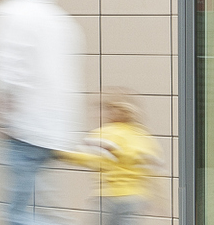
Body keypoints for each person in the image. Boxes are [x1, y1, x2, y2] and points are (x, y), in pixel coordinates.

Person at [0, 0, 85, 225]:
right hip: (56, 132)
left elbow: (5, 72)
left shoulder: (11, 11)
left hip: (23, 130)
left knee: (15, 214)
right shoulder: (61, 19)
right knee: (38, 207)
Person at [57, 90, 163, 225]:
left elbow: (87, 157)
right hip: (135, 198)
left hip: (107, 197)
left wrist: (59, 153)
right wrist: (160, 200)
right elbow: (154, 170)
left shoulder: (106, 133)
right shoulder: (143, 137)